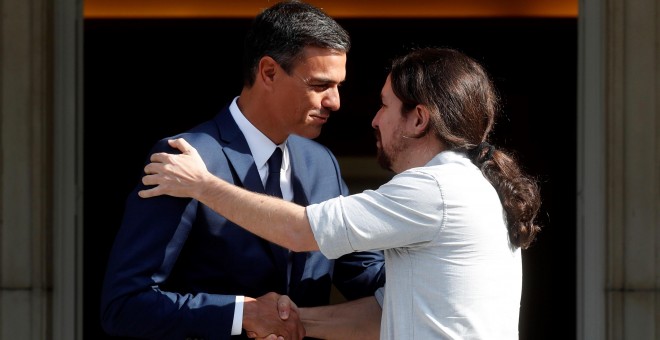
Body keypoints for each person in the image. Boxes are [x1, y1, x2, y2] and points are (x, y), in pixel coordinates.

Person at [139, 47, 543, 339]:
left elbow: (301, 230)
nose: (374, 119)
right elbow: (381, 315)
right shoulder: (471, 185)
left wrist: (201, 184)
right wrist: (284, 318)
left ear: (419, 118)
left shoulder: (435, 188)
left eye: (384, 106)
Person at [100, 1, 386, 339]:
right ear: (268, 72)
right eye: (320, 85)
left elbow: (362, 271)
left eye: (338, 86)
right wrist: (241, 314)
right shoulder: (185, 157)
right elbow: (126, 305)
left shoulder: (321, 161)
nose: (334, 102)